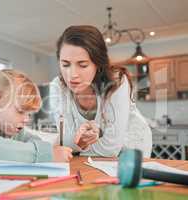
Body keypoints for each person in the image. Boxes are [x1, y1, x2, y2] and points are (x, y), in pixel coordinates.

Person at [50, 25, 152, 157]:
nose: (72, 74)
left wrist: (77, 145)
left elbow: (110, 149)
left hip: (132, 148)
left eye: (82, 65)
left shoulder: (117, 81)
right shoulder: (58, 87)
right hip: (89, 156)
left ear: (98, 64)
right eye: (65, 64)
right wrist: (72, 144)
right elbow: (66, 142)